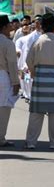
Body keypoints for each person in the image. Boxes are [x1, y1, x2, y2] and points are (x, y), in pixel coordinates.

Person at [24, 13, 54, 149]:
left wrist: (34, 72)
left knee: (36, 113)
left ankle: (31, 142)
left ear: (43, 27)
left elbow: (28, 61)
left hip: (40, 80)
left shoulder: (37, 42)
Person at [0, 15, 20, 147]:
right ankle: (1, 137)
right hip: (3, 76)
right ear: (3, 27)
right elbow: (12, 64)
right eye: (9, 26)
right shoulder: (8, 43)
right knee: (4, 108)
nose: (11, 28)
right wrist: (15, 82)